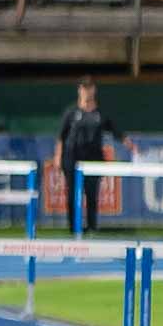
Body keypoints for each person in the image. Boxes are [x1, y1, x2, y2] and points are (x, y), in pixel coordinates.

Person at [52, 76, 136, 234]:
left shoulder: (99, 113)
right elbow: (61, 136)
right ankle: (74, 227)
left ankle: (91, 226)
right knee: (72, 194)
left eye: (89, 88)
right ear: (79, 90)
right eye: (84, 88)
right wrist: (58, 157)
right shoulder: (71, 112)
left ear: (94, 90)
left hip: (93, 158)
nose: (86, 91)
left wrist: (128, 142)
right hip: (72, 158)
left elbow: (115, 130)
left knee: (92, 193)